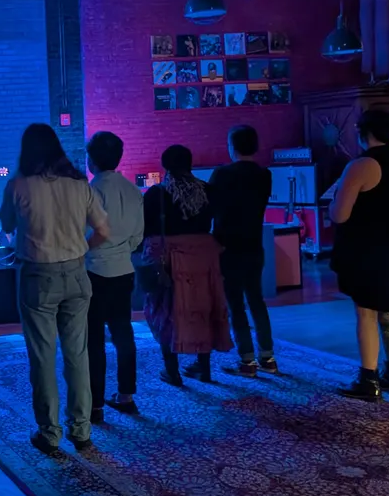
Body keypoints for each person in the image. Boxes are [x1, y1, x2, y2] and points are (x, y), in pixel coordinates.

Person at [0, 124, 110, 454]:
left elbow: (6, 225)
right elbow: (104, 230)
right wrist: (80, 250)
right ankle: (81, 429)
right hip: (76, 273)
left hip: (37, 277)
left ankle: (49, 432)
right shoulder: (79, 183)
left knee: (42, 357)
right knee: (77, 354)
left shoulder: (18, 184)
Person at [330, 110, 389, 401]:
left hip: (365, 248)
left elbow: (339, 214)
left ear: (361, 132)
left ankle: (369, 378)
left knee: (365, 311)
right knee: (387, 312)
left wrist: (337, 194)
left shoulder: (361, 165)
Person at [140, 145, 233, 386]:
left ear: (165, 165)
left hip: (170, 260)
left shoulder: (156, 194)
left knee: (166, 311)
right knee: (203, 309)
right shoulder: (208, 191)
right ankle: (203, 368)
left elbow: (146, 229)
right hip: (204, 258)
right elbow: (220, 224)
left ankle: (172, 371)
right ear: (190, 164)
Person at [84, 132, 144, 421]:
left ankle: (95, 405)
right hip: (124, 269)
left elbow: (83, 235)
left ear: (91, 159)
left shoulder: (90, 191)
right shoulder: (133, 190)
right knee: (123, 332)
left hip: (94, 270)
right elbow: (137, 238)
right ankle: (126, 395)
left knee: (93, 338)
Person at [208, 125, 276, 377]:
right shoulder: (264, 175)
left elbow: (211, 208)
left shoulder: (222, 174)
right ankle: (268, 357)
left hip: (228, 247)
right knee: (257, 300)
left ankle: (247, 360)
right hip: (254, 245)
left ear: (232, 146)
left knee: (236, 303)